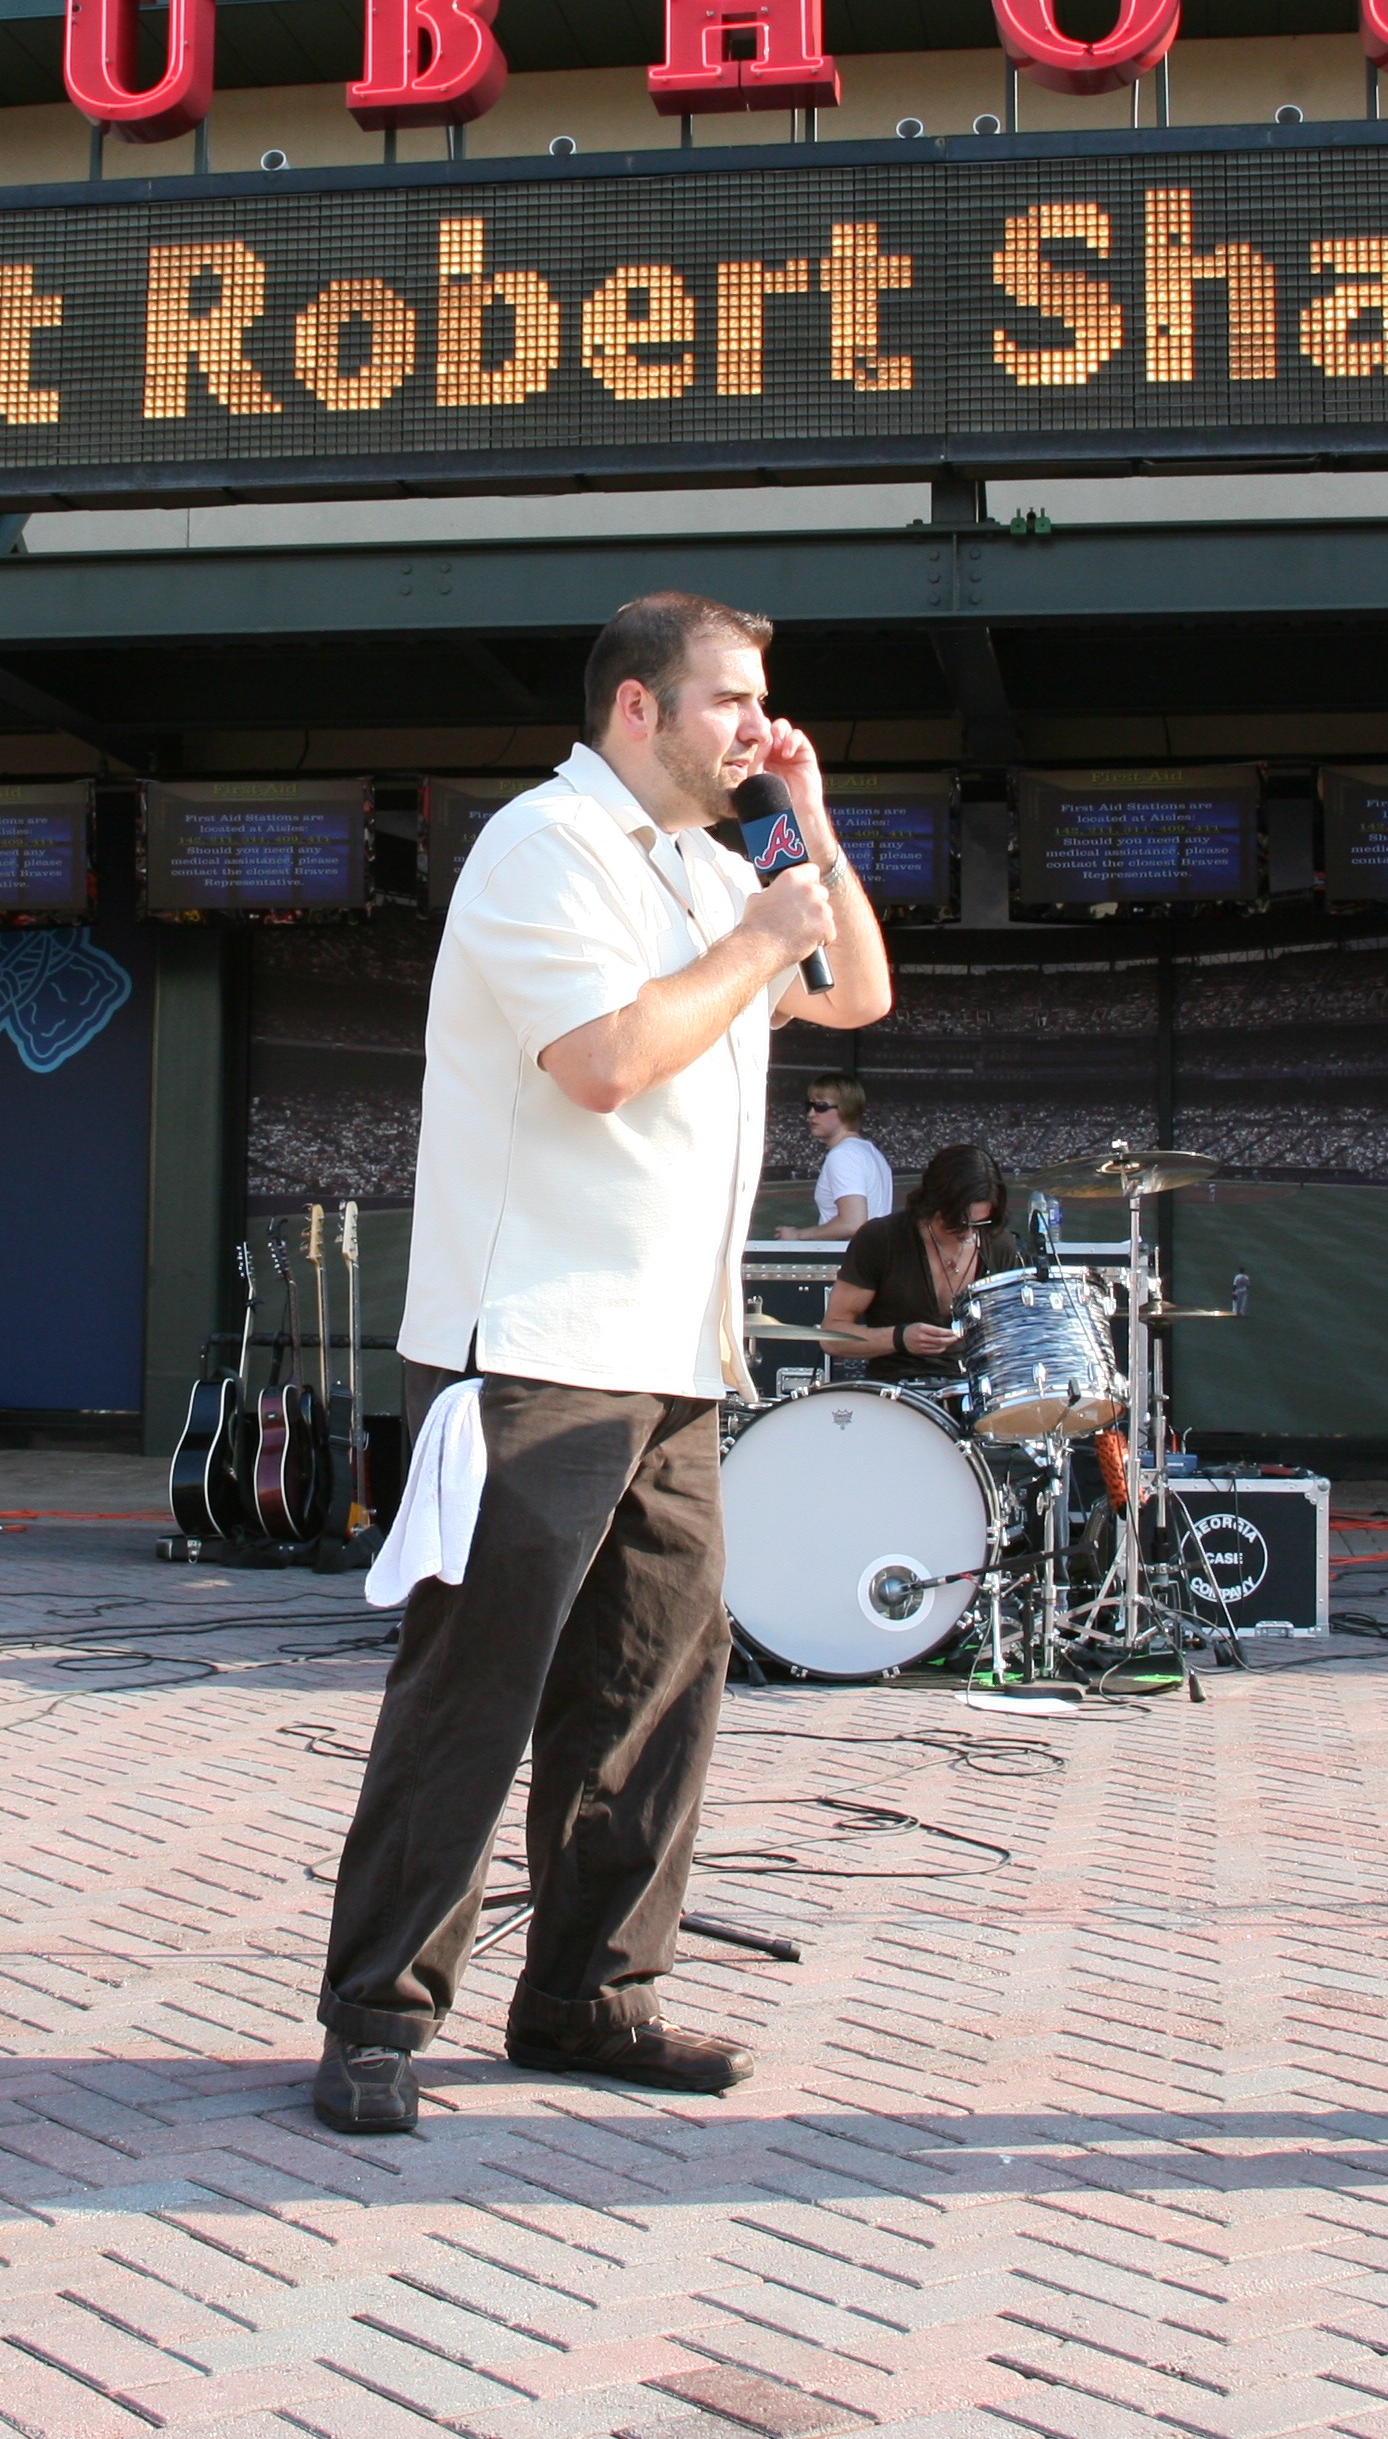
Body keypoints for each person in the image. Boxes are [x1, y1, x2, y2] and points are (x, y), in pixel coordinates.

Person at [311, 591, 891, 2137]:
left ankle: (590, 1995)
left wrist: (807, 827)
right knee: (475, 1693)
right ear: (634, 709)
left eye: (769, 703)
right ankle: (376, 2013)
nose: (755, 730)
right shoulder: (541, 849)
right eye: (730, 703)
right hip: (538, 1351)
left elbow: (857, 991)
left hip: (674, 1352)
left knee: (652, 1691)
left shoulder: (720, 862)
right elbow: (604, 1063)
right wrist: (762, 933)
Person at [823, 1144, 1019, 1384]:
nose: (967, 1233)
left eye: (979, 1224)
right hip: (899, 1395)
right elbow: (832, 1335)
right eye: (957, 1222)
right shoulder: (881, 1238)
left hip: (976, 1393)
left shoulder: (1000, 1245)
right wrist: (899, 1338)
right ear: (933, 1204)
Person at [794, 1072, 893, 1244]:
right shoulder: (870, 1152)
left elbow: (853, 1223)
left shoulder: (843, 1155)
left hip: (849, 1262)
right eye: (809, 1106)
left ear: (846, 1109)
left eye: (821, 1106)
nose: (810, 1114)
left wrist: (799, 1235)